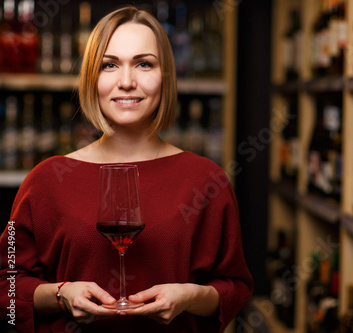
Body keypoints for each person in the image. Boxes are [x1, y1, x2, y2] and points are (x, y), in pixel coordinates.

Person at [0, 6, 253, 333]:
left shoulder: (207, 180)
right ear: (93, 77)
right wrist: (61, 294)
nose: (127, 81)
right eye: (110, 65)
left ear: (165, 76)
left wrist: (190, 297)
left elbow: (235, 288)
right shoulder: (45, 180)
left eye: (144, 63)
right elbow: (5, 288)